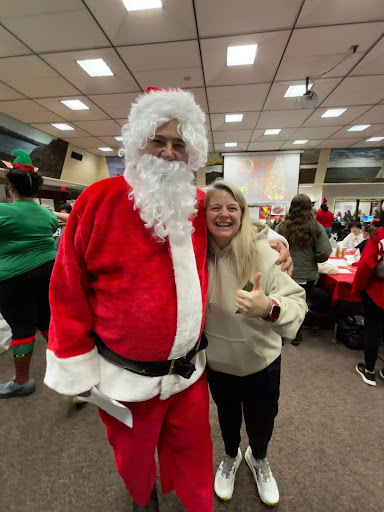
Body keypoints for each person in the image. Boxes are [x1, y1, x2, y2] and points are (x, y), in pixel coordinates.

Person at [43, 87, 292, 512]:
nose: (169, 152)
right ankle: (144, 500)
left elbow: (237, 224)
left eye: (179, 144)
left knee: (194, 454)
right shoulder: (96, 202)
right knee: (135, 461)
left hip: (189, 375)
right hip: (125, 378)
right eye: (158, 140)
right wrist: (74, 362)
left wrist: (278, 242)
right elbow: (68, 288)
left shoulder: (198, 205)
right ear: (138, 143)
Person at [203, 180, 306, 506]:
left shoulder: (265, 252)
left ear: (243, 214)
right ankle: (231, 455)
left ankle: (258, 458)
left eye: (232, 208)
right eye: (215, 207)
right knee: (227, 417)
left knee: (263, 419)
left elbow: (298, 303)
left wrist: (269, 308)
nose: (223, 214)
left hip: (261, 361)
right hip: (218, 362)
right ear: (202, 215)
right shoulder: (193, 254)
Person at [0, 151, 58, 398]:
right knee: (48, 323)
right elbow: (53, 229)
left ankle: (22, 382)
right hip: (48, 270)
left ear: (11, 186)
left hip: (13, 277)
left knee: (22, 329)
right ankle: (71, 371)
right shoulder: (46, 213)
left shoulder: (3, 212)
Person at [276, 194, 332, 345]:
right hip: (307, 275)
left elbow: (273, 247)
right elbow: (324, 252)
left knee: (283, 300)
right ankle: (296, 334)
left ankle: (282, 332)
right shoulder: (316, 228)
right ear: (310, 209)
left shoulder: (281, 226)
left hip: (285, 271)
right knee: (302, 302)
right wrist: (314, 258)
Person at [353, 207, 384, 386]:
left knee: (373, 329)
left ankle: (369, 370)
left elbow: (365, 266)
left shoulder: (378, 235)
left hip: (377, 291)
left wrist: (359, 287)